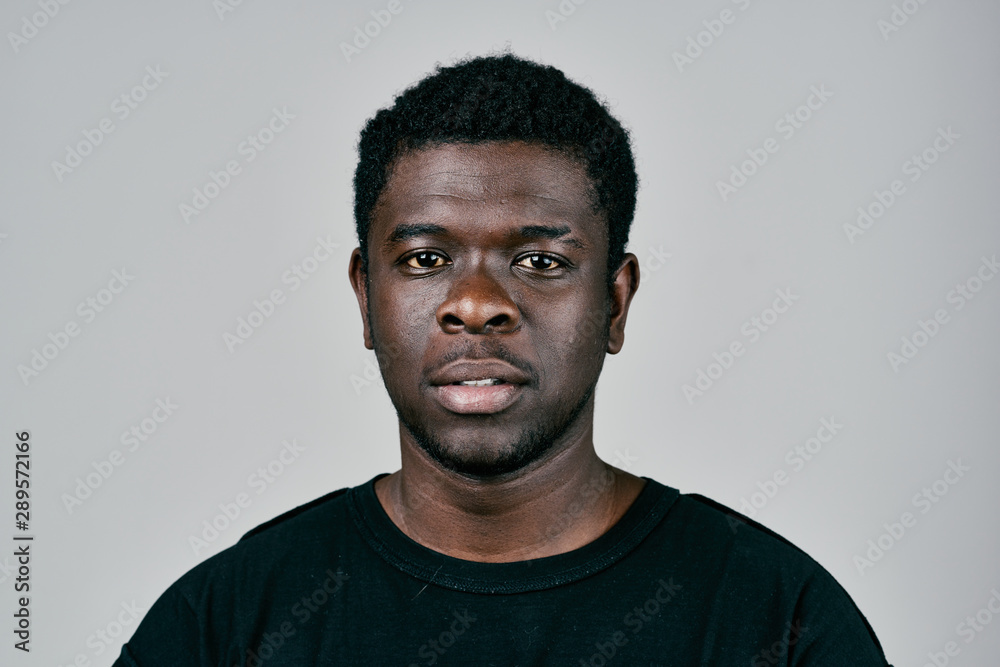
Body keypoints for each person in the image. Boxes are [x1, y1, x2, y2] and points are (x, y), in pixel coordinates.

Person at [115, 53, 893, 666]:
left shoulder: (778, 618)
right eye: (425, 259)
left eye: (541, 262)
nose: (477, 303)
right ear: (366, 296)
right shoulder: (226, 622)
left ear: (615, 301)